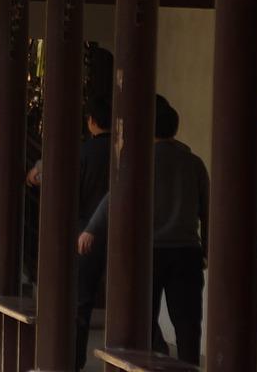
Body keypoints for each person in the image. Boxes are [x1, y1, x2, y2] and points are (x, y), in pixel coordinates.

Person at [79, 95, 209, 364]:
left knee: (143, 318)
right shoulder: (194, 163)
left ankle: (150, 363)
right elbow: (208, 209)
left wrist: (91, 229)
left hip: (147, 250)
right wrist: (207, 249)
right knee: (187, 322)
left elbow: (114, 198)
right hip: (186, 250)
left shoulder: (140, 161)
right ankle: (188, 366)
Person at [32, 91, 111, 370]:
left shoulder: (83, 153)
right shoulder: (121, 153)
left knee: (81, 301)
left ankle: (75, 359)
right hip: (120, 235)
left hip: (83, 234)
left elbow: (69, 194)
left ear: (91, 122)